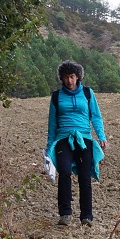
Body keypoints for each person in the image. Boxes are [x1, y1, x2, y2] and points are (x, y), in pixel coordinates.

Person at [46, 60, 109, 226]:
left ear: (78, 77)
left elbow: (95, 116)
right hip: (63, 139)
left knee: (84, 175)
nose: (69, 81)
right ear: (62, 78)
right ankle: (65, 213)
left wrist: (101, 136)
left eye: (72, 77)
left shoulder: (88, 93)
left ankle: (86, 216)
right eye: (66, 77)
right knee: (64, 172)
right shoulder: (56, 96)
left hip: (84, 139)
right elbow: (52, 124)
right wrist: (48, 148)